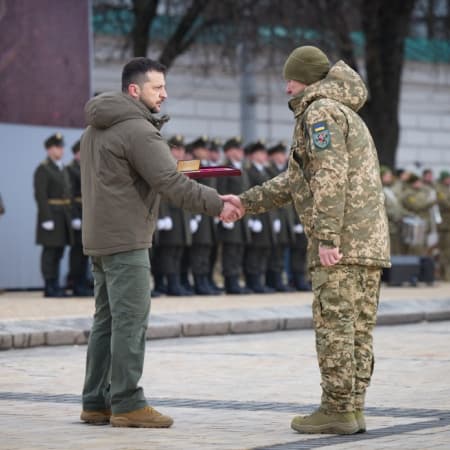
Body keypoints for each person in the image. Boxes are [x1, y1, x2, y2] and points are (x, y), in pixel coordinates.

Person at [221, 46, 390, 435]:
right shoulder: (345, 112)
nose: (286, 86)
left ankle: (336, 409)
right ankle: (353, 408)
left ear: (308, 79)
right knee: (357, 330)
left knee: (334, 326)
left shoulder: (319, 113)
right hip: (368, 244)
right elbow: (297, 180)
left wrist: (328, 238)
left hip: (341, 245)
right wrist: (245, 202)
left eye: (291, 78)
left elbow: (328, 178)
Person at [79, 57, 237, 428]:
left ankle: (95, 400)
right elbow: (172, 182)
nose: (164, 94)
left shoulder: (93, 130)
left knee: (106, 321)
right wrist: (218, 204)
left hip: (100, 239)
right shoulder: (137, 130)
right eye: (157, 88)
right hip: (127, 240)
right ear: (134, 90)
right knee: (131, 321)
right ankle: (128, 402)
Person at [33, 133, 73, 297]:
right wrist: (46, 218)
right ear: (49, 149)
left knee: (59, 252)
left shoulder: (61, 167)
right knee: (50, 252)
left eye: (61, 147)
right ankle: (49, 285)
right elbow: (40, 195)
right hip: (51, 215)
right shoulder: (43, 168)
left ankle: (56, 284)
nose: (61, 150)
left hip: (62, 216)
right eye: (57, 147)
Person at [216, 137, 252, 294]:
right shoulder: (225, 168)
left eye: (240, 149)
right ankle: (230, 283)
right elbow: (221, 191)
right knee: (230, 251)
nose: (240, 152)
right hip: (229, 216)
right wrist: (222, 214)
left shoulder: (241, 169)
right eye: (236, 149)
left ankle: (236, 280)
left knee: (238, 250)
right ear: (229, 152)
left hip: (241, 216)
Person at [66, 140, 93, 297]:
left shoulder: (86, 168)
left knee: (86, 251)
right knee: (77, 251)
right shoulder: (71, 169)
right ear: (77, 152)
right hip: (78, 212)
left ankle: (83, 282)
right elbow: (69, 194)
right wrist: (74, 216)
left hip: (88, 213)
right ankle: (76, 283)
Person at [436, 171, 450, 281]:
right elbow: (445, 204)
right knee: (444, 250)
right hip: (444, 226)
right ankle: (444, 274)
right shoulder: (439, 190)